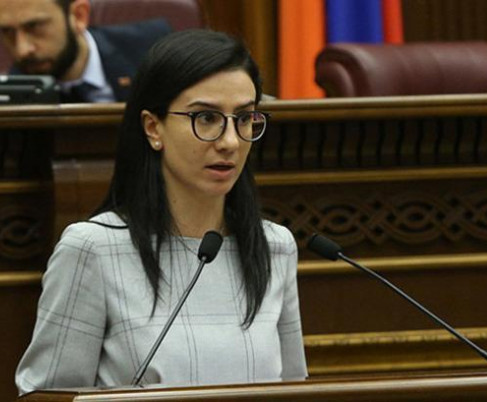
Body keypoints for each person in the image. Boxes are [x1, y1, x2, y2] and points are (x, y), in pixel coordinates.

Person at [15, 29, 308, 394]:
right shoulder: (92, 249)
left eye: (244, 118)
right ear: (153, 128)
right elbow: (50, 397)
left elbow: (294, 390)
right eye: (206, 118)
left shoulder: (275, 246)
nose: (230, 141)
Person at [0, 0, 172, 102]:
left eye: (34, 26)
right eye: (7, 32)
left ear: (78, 16)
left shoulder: (154, 49)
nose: (22, 50)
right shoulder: (9, 97)